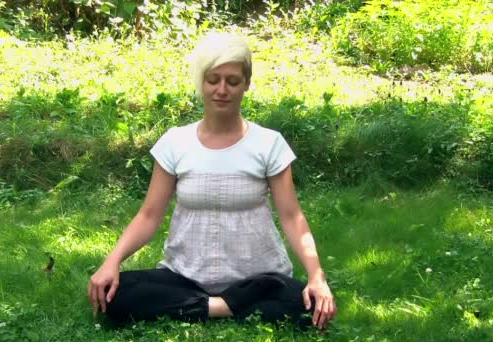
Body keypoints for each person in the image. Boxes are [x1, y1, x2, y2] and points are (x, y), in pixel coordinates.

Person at [87, 32, 336, 330]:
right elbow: (149, 215)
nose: (222, 90)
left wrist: (316, 276)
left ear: (246, 84)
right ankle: (227, 307)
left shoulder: (269, 144)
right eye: (213, 80)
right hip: (185, 277)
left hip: (257, 278)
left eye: (232, 81)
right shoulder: (175, 142)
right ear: (201, 83)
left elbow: (292, 217)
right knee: (114, 296)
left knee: (305, 304)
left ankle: (199, 309)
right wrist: (111, 261)